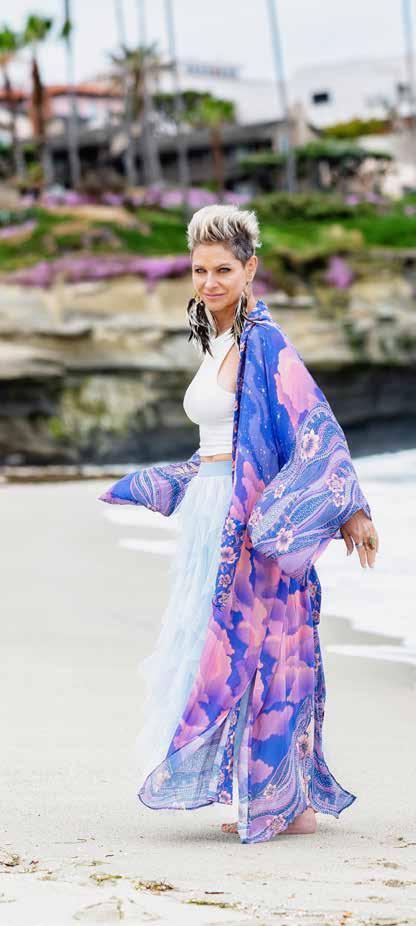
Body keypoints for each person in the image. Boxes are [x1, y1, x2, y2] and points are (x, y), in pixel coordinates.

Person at [99, 204, 378, 845]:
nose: (210, 282)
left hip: (248, 518)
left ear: (251, 270)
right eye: (200, 270)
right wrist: (162, 482)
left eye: (224, 269)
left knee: (264, 648)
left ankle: (285, 801)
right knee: (231, 649)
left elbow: (313, 422)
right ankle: (282, 798)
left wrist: (351, 508)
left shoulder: (265, 341)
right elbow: (217, 445)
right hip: (213, 513)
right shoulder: (218, 339)